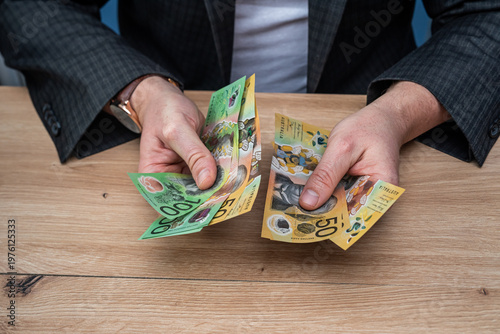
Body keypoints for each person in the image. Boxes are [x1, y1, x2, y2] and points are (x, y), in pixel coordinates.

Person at [0, 0, 498, 212]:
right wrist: (142, 93)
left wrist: (397, 114)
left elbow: (487, 12)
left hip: (373, 128)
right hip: (164, 126)